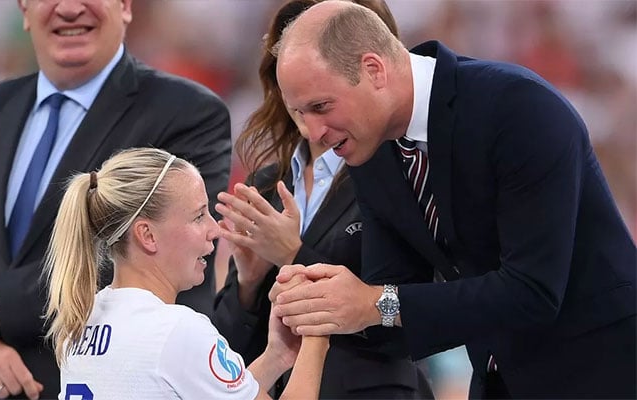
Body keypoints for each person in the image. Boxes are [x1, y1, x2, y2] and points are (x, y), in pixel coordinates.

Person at [269, 1, 637, 399]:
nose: (312, 132)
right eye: (299, 115)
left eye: (320, 107)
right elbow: (393, 316)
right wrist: (317, 298)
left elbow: (533, 291)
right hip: (501, 382)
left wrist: (374, 303)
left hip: (605, 374)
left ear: (373, 69)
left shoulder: (518, 107)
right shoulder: (370, 151)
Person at [0, 1, 230, 398]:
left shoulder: (187, 112)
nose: (70, 8)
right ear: (24, 9)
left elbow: (162, 250)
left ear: (126, 6)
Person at [213, 0, 433, 398]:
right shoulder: (269, 183)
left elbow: (403, 317)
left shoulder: (402, 169)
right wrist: (247, 282)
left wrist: (293, 254)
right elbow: (227, 356)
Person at [44, 147, 329, 399]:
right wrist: (317, 328)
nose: (215, 230)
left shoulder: (82, 318)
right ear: (148, 235)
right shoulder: (176, 330)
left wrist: (275, 357)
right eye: (198, 216)